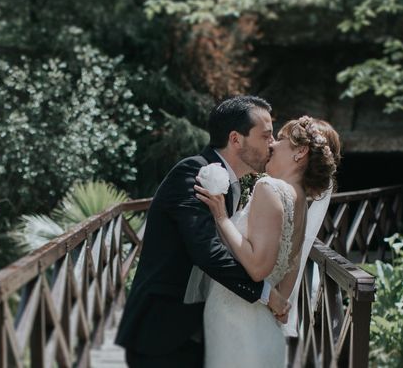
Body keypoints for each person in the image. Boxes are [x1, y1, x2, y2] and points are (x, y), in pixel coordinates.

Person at [116, 96, 290, 367]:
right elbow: (206, 250)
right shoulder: (192, 174)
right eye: (266, 136)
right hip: (162, 332)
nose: (272, 144)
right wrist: (265, 293)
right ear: (236, 139)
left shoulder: (232, 186)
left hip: (198, 330)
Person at [193, 115, 340, 367]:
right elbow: (286, 284)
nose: (272, 144)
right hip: (262, 329)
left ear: (300, 152)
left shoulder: (269, 189)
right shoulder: (301, 203)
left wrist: (221, 217)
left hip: (237, 326)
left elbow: (258, 268)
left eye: (281, 139)